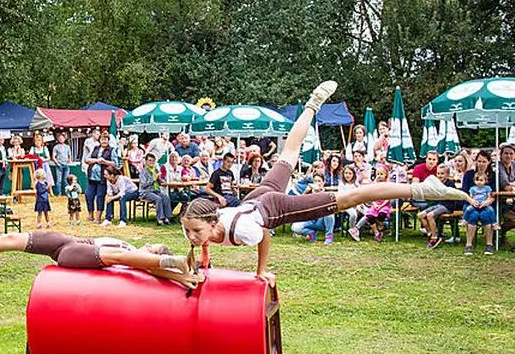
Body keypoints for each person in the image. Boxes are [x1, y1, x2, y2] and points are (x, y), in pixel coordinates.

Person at [179, 80, 468, 283]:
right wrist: (203, 256)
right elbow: (204, 238)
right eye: (188, 231)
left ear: (212, 223)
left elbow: (264, 234)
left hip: (271, 208)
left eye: (195, 231)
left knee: (352, 198)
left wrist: (261, 271)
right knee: (289, 154)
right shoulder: (204, 223)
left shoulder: (243, 231)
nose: (191, 236)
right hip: (256, 197)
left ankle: (420, 188)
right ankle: (312, 105)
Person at [0, 231, 200, 289]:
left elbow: (147, 266)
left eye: (155, 249)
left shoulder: (138, 260)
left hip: (81, 254)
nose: (150, 245)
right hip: (72, 241)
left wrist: (179, 270)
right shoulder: (133, 247)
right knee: (11, 239)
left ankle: (171, 260)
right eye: (152, 245)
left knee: (119, 256)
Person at [349, 167, 392, 241]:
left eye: (381, 174)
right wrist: (375, 204)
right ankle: (376, 233)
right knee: (370, 216)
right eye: (378, 174)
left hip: (384, 205)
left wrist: (381, 205)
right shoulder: (374, 185)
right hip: (375, 204)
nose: (379, 176)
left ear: (385, 175)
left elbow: (388, 198)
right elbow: (372, 197)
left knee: (381, 214)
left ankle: (381, 227)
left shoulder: (388, 185)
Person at [462, 170, 497, 256]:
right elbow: (467, 196)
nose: (479, 182)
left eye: (484, 161)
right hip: (474, 205)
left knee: (485, 216)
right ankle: (468, 244)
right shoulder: (470, 177)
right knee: (473, 216)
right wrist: (472, 201)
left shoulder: (490, 181)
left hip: (485, 205)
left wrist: (486, 202)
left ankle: (489, 244)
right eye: (479, 161)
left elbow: (491, 197)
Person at [83, 132, 115, 224]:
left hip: (103, 178)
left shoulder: (111, 150)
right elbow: (86, 159)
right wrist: (96, 160)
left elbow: (115, 163)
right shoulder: (95, 148)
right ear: (99, 140)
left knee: (100, 197)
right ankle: (90, 215)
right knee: (88, 195)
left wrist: (105, 162)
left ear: (108, 140)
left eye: (106, 139)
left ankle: (98, 218)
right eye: (102, 139)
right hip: (91, 177)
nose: (104, 141)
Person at [137, 153, 173, 225]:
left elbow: (158, 182)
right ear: (146, 162)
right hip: (146, 192)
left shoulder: (156, 170)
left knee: (166, 197)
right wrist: (154, 179)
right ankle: (160, 219)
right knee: (158, 199)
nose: (151, 162)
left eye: (153, 161)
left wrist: (161, 180)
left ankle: (167, 218)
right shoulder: (143, 172)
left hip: (155, 190)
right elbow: (144, 185)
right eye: (150, 161)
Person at [33, 161, 52, 228]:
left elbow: (48, 191)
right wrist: (47, 188)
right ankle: (39, 223)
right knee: (40, 213)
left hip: (45, 200)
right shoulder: (37, 184)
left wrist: (49, 190)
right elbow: (40, 191)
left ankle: (48, 222)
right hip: (40, 200)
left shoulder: (45, 183)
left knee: (46, 212)